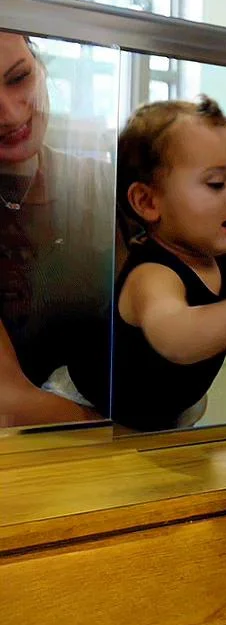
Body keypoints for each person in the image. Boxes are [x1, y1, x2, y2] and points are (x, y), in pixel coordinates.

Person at [84, 96, 226, 435]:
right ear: (147, 201)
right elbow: (176, 338)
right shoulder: (152, 274)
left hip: (162, 420)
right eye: (216, 184)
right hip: (90, 416)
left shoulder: (225, 264)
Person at [0, 32, 113, 428]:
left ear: (42, 69)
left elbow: (218, 286)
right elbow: (7, 405)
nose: (11, 114)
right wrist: (133, 436)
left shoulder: (107, 187)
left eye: (19, 79)